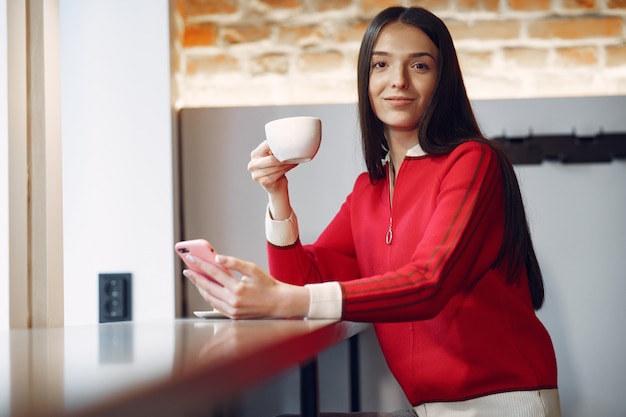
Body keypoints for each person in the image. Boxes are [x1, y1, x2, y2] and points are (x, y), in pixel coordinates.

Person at [183, 6, 561, 417]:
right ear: (366, 80)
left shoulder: (473, 161)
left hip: (504, 405)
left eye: (419, 65)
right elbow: (304, 279)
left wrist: (283, 300)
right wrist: (277, 195)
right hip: (430, 409)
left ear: (443, 81)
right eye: (381, 64)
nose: (398, 80)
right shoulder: (370, 190)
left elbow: (429, 283)